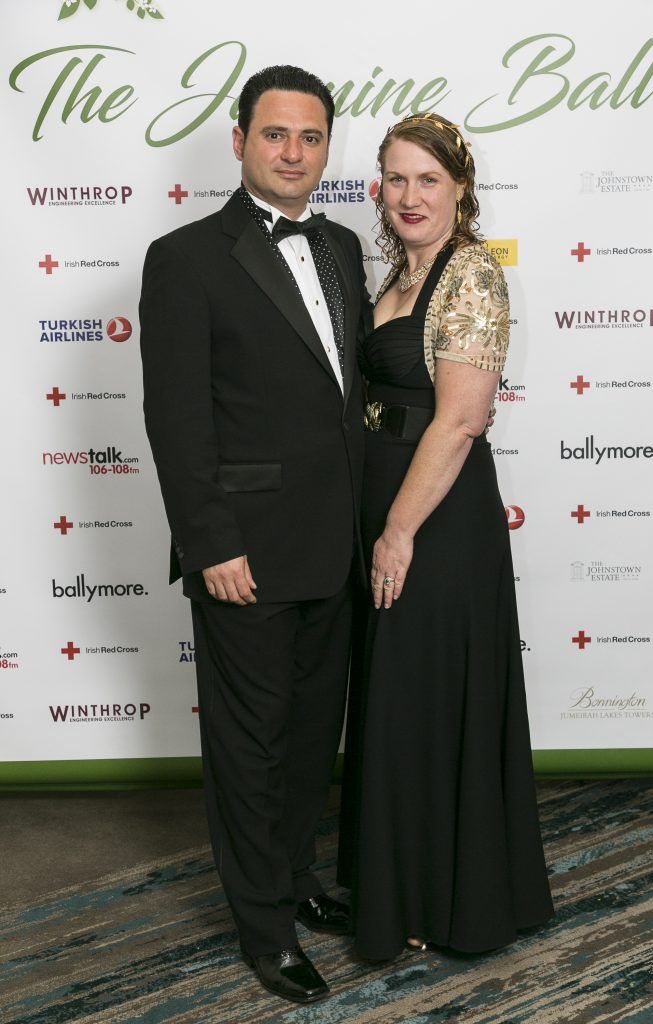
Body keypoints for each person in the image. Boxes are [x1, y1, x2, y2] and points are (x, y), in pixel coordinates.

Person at [139, 66, 370, 1005]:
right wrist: (210, 544)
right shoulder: (184, 257)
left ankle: (299, 880)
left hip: (337, 544)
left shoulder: (348, 246)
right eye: (275, 135)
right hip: (244, 553)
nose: (293, 153)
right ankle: (263, 928)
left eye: (310, 138)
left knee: (314, 738)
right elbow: (177, 419)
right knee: (250, 746)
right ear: (238, 140)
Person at [337, 112, 554, 961]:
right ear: (377, 190)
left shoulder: (469, 276)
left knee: (429, 703)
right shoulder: (392, 274)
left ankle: (440, 900)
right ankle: (403, 887)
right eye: (395, 178)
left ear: (460, 189)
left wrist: (395, 532)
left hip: (434, 519)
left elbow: (460, 419)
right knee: (400, 704)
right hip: (383, 508)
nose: (409, 195)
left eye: (428, 179)